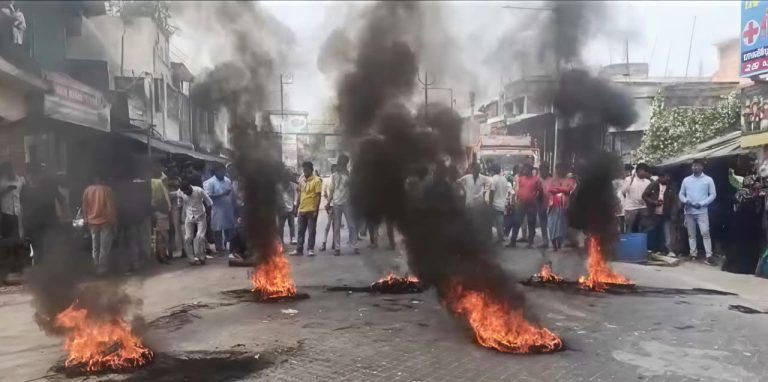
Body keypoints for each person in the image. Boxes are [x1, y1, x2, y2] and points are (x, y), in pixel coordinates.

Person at [679, 159, 717, 265]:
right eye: (693, 166)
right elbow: (681, 194)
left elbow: (713, 195)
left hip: (702, 210)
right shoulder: (686, 180)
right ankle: (693, 254)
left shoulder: (708, 180)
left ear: (702, 167)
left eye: (697, 166)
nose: (694, 167)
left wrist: (702, 203)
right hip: (689, 210)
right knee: (691, 234)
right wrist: (686, 201)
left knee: (705, 232)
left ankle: (709, 255)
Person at [82, 174, 117, 273]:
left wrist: (85, 219)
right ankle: (102, 267)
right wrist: (114, 222)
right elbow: (110, 207)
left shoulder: (87, 190)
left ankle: (95, 264)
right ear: (102, 179)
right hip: (105, 222)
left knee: (95, 245)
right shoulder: (107, 190)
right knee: (104, 246)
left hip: (92, 222)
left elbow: (84, 206)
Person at [642, 170, 678, 256]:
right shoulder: (653, 185)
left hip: (666, 213)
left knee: (666, 232)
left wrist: (673, 213)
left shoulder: (671, 186)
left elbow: (674, 201)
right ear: (660, 177)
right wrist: (654, 202)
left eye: (668, 176)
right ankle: (654, 250)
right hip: (654, 213)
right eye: (666, 177)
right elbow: (644, 196)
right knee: (654, 232)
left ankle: (667, 250)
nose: (668, 178)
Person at [175, 181, 212, 265]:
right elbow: (180, 204)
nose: (185, 193)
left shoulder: (199, 191)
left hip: (201, 216)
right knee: (187, 238)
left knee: (200, 237)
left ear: (190, 187)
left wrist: (209, 215)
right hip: (189, 216)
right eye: (184, 192)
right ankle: (191, 259)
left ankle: (201, 257)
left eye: (186, 191)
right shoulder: (180, 192)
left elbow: (209, 202)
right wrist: (181, 217)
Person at [328, 155, 358, 256]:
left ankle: (354, 246)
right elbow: (331, 190)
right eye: (339, 161)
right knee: (336, 226)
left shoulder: (349, 175)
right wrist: (328, 203)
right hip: (336, 203)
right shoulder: (334, 176)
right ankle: (337, 248)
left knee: (351, 225)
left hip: (347, 202)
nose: (340, 163)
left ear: (346, 163)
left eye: (342, 161)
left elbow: (352, 188)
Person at [203, 163, 236, 254]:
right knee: (218, 229)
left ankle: (228, 246)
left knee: (229, 228)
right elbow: (208, 196)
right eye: (221, 171)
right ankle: (219, 247)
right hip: (217, 208)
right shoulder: (210, 182)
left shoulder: (227, 180)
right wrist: (222, 194)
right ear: (216, 172)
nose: (223, 172)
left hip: (228, 208)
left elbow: (231, 194)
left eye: (224, 170)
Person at [292, 161, 323, 256]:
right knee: (300, 231)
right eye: (304, 169)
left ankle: (310, 249)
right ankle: (299, 249)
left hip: (311, 210)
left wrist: (316, 210)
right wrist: (296, 207)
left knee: (311, 231)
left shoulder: (317, 180)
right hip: (302, 210)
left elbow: (318, 196)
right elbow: (299, 194)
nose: (304, 171)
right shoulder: (301, 180)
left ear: (311, 169)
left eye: (306, 169)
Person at [508, 163, 541, 248]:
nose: (524, 170)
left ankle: (530, 243)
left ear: (530, 170)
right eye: (524, 169)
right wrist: (516, 199)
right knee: (517, 222)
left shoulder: (536, 179)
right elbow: (518, 189)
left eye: (526, 169)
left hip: (531, 204)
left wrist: (536, 200)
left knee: (531, 223)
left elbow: (540, 191)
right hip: (521, 203)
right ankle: (513, 241)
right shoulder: (520, 179)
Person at [457, 162, 492, 242]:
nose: (475, 170)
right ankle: (469, 239)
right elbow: (458, 182)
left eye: (476, 168)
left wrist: (484, 192)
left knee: (477, 223)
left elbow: (490, 183)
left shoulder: (483, 178)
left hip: (478, 205)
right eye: (473, 168)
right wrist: (464, 189)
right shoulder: (467, 177)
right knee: (468, 221)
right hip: (468, 203)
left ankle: (476, 239)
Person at [0, 162, 24, 275]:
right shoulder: (2, 181)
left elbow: (21, 188)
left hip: (16, 212)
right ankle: (8, 263)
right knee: (8, 238)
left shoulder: (18, 179)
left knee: (16, 238)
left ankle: (17, 263)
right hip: (6, 213)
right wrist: (7, 188)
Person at [547, 163, 576, 251]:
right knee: (552, 226)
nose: (560, 171)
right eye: (558, 169)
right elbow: (550, 189)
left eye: (562, 169)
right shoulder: (553, 180)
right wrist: (562, 189)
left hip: (564, 207)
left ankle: (559, 244)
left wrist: (558, 189)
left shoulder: (570, 180)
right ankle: (554, 245)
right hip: (553, 207)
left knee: (562, 227)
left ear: (565, 170)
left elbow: (569, 189)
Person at [622, 162, 652, 233]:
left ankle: (641, 239)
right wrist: (630, 182)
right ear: (639, 171)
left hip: (643, 207)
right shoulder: (628, 179)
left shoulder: (648, 182)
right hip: (631, 208)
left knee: (643, 228)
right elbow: (624, 191)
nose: (646, 173)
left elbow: (649, 195)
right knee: (629, 228)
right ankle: (629, 239)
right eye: (645, 171)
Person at [151, 165, 172, 264]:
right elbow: (166, 195)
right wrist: (169, 207)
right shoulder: (159, 182)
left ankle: (159, 255)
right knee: (164, 235)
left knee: (157, 235)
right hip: (161, 211)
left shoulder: (148, 182)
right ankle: (164, 255)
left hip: (153, 211)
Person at [488, 163, 510, 244]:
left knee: (490, 221)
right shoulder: (504, 179)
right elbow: (507, 190)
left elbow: (492, 192)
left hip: (494, 203)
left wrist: (490, 203)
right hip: (502, 203)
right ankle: (501, 236)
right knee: (500, 221)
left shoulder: (493, 179)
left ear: (492, 171)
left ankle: (492, 237)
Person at [319, 164, 338, 252]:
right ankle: (324, 243)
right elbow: (325, 192)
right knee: (328, 225)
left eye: (335, 169)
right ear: (331, 170)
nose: (334, 171)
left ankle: (334, 243)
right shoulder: (328, 180)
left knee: (335, 225)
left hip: (337, 204)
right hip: (330, 205)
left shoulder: (338, 179)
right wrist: (328, 202)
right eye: (333, 169)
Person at [277, 169, 297, 245]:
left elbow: (295, 196)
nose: (287, 178)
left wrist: (294, 206)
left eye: (288, 177)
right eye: (285, 177)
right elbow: (277, 198)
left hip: (290, 208)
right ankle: (281, 240)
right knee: (281, 225)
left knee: (291, 225)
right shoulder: (278, 186)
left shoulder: (293, 185)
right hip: (282, 209)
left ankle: (293, 238)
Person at [538, 163, 552, 248]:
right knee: (543, 224)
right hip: (541, 205)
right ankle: (545, 241)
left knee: (551, 224)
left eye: (545, 170)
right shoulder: (537, 180)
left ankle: (554, 241)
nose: (543, 172)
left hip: (552, 205)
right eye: (541, 170)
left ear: (548, 170)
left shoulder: (552, 180)